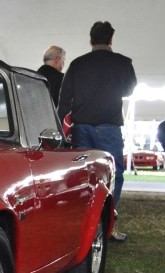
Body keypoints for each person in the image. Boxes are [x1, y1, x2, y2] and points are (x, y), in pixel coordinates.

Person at [58, 21, 137, 241]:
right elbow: (129, 89)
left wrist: (60, 129)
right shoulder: (123, 62)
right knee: (113, 175)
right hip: (109, 127)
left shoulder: (77, 64)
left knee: (82, 175)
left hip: (82, 128)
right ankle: (108, 225)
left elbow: (64, 99)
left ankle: (81, 224)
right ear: (111, 40)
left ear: (91, 40)